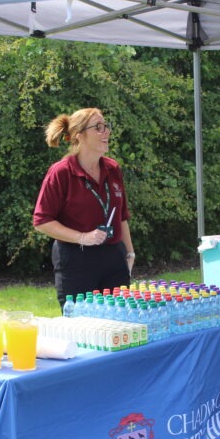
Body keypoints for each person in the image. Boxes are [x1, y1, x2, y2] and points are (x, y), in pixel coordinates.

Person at [33, 108, 135, 309]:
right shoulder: (61, 172)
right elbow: (42, 221)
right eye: (98, 127)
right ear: (79, 135)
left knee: (119, 322)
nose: (106, 131)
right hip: (76, 259)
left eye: (106, 126)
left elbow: (121, 215)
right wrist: (83, 237)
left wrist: (130, 253)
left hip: (114, 258)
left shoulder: (113, 169)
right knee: (81, 322)